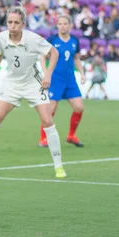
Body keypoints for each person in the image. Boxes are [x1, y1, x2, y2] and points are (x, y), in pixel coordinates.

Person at [0, 4, 67, 179]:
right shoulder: (1, 38)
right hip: (11, 84)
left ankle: (59, 167)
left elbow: (54, 52)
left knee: (47, 120)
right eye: (9, 22)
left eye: (16, 23)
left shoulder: (33, 39)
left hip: (33, 84)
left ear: (23, 24)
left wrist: (48, 74)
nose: (12, 26)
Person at [38, 15, 85, 148]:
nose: (63, 26)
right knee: (51, 109)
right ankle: (43, 138)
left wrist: (81, 73)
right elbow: (42, 56)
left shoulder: (75, 40)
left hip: (70, 79)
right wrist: (46, 72)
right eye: (60, 24)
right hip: (55, 79)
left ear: (70, 25)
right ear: (57, 26)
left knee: (79, 107)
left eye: (65, 23)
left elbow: (76, 58)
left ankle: (71, 136)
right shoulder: (52, 40)